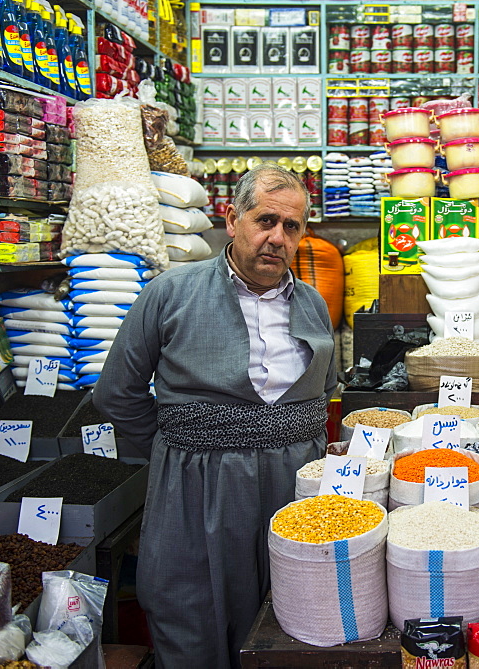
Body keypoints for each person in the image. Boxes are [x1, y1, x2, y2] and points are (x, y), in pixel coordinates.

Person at [94, 164, 336, 668]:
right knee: (191, 610)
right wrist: (177, 447)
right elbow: (117, 393)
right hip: (196, 484)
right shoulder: (171, 291)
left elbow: (326, 390)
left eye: (291, 227)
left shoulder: (311, 302)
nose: (277, 238)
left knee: (287, 614)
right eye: (264, 221)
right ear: (233, 220)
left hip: (292, 487)